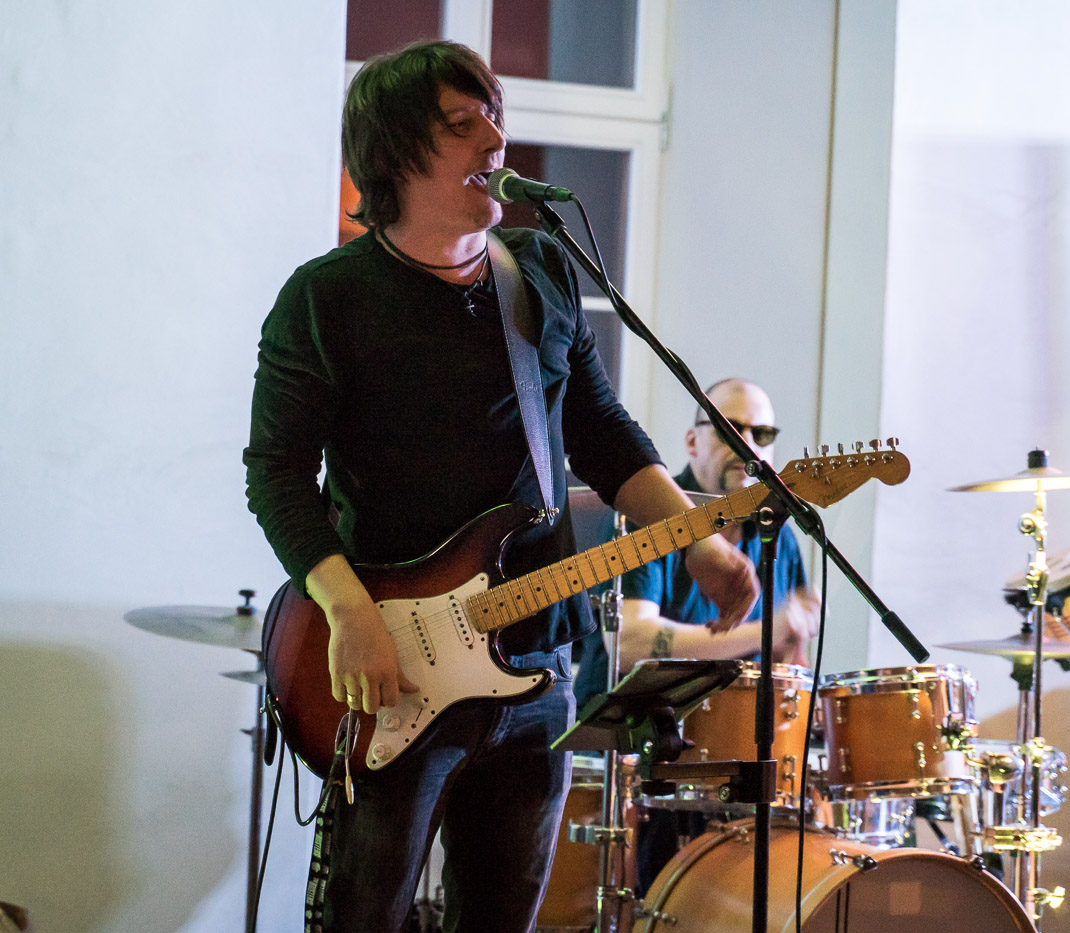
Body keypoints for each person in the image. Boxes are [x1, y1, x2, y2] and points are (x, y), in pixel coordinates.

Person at [242, 40, 757, 933]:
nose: (495, 139)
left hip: (535, 667)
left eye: (496, 116)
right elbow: (276, 472)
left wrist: (698, 542)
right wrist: (350, 612)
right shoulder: (328, 299)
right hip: (398, 671)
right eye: (462, 122)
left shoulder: (539, 270)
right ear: (396, 151)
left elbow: (603, 434)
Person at [605, 377, 820, 895]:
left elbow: (794, 649)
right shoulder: (652, 513)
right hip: (649, 767)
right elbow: (628, 642)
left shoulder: (777, 530)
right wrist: (761, 634)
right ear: (692, 440)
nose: (747, 444)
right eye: (729, 428)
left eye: (762, 433)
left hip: (744, 767)